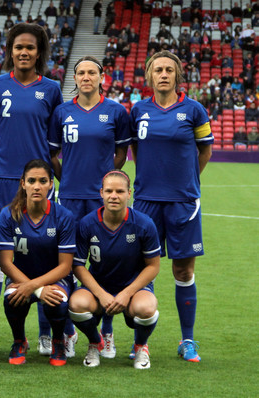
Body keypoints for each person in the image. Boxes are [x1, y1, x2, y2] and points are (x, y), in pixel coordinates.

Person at [0, 23, 63, 357]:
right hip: (2, 181)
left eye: (30, 47)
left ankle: (46, 334)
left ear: (39, 52)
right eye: (18, 47)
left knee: (44, 256)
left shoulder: (53, 89)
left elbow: (55, 144)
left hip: (40, 185)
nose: (24, 52)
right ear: (10, 50)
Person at [130, 50, 213, 362]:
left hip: (183, 203)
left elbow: (205, 150)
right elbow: (136, 150)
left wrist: (189, 181)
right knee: (142, 272)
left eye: (168, 70)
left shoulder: (194, 110)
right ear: (150, 76)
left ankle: (187, 340)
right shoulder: (137, 110)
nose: (163, 74)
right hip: (147, 202)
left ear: (178, 76)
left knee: (183, 269)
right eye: (157, 70)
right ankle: (140, 342)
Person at [48, 56, 131, 359]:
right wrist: (65, 178)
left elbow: (122, 151)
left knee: (103, 264)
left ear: (101, 77)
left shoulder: (115, 112)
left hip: (101, 200)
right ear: (75, 77)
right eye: (81, 72)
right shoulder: (61, 112)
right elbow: (52, 155)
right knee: (67, 263)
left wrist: (107, 179)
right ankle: (70, 333)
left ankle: (107, 333)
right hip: (69, 197)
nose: (86, 77)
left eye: (91, 72)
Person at [69, 170, 161, 369]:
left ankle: (140, 346)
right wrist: (101, 294)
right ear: (101, 193)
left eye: (120, 191)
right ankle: (96, 342)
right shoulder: (87, 224)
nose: (114, 196)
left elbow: (153, 266)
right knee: (76, 304)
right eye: (109, 191)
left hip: (133, 288)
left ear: (129, 194)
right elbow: (78, 265)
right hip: (99, 287)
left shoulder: (144, 224)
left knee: (147, 308)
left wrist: (127, 293)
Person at [0, 159, 76, 366]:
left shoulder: (64, 216)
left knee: (56, 300)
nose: (37, 186)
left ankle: (58, 341)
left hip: (56, 279)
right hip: (21, 277)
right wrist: (32, 287)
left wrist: (35, 287)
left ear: (51, 184)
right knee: (12, 298)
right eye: (32, 181)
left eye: (43, 181)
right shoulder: (8, 215)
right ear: (23, 183)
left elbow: (65, 266)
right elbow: (5, 263)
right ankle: (19, 341)